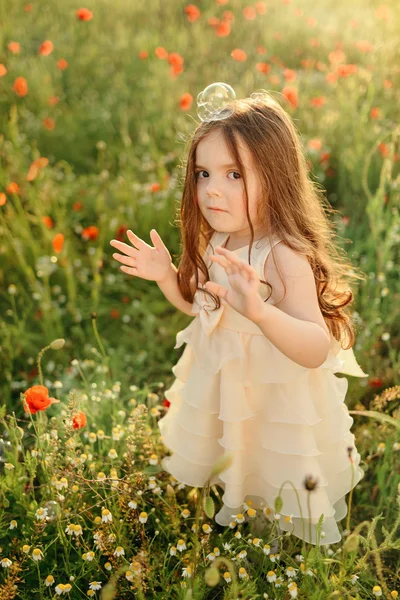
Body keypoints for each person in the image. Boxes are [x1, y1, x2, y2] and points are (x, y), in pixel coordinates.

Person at [109, 83, 368, 547]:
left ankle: (275, 535)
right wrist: (168, 277)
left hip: (272, 395)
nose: (211, 191)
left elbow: (313, 347)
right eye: (203, 174)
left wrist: (262, 314)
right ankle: (236, 499)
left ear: (277, 176)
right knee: (233, 448)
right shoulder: (217, 240)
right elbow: (201, 308)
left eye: (234, 175)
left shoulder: (283, 255)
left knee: (271, 459)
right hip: (227, 382)